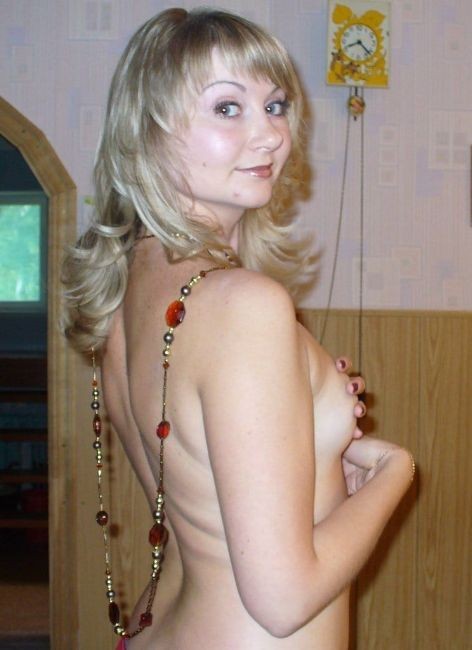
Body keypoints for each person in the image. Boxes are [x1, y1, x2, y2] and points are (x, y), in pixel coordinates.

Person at [62, 8, 415, 649]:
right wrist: (395, 471)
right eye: (228, 108)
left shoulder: (127, 296)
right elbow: (283, 600)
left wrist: (322, 448)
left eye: (275, 106)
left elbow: (208, 511)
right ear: (148, 133)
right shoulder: (244, 305)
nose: (270, 135)